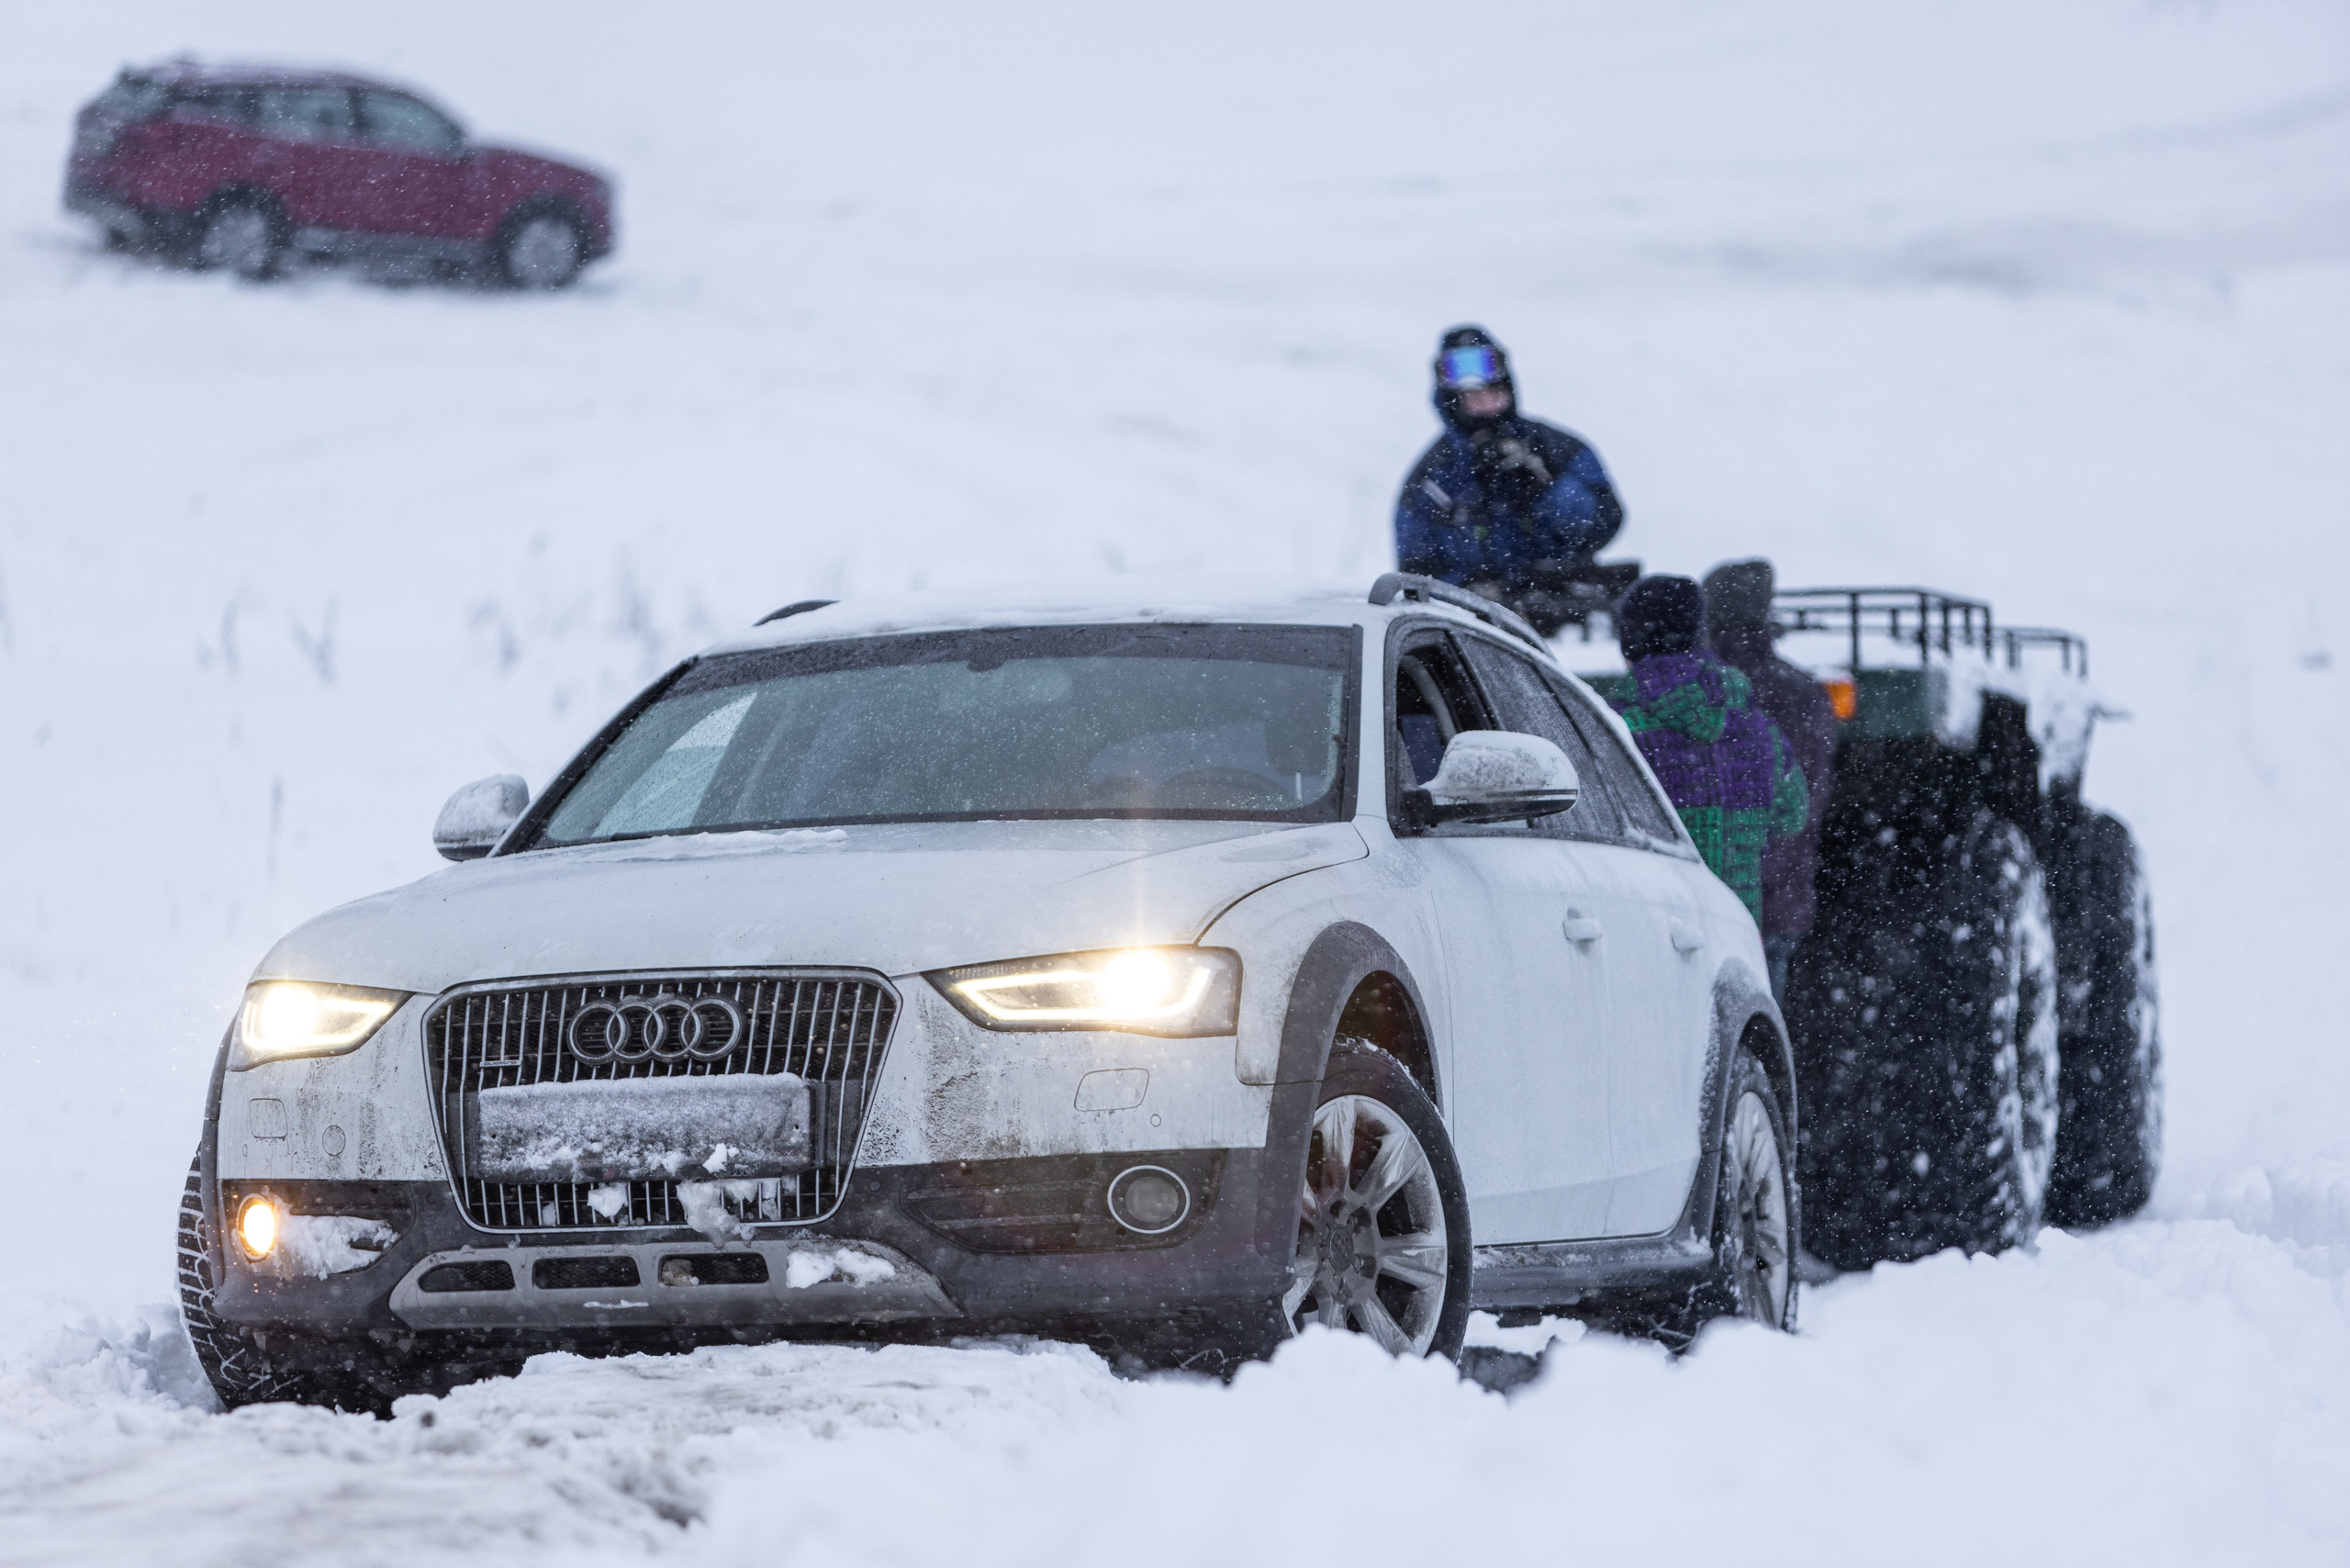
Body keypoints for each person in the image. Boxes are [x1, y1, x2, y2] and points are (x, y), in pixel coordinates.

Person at [1608, 575, 1807, 935]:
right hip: (1738, 931)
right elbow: (1791, 817)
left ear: (1630, 643)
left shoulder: (1618, 727)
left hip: (1653, 931)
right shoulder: (1758, 726)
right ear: (1700, 633)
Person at [1393, 326, 1626, 634]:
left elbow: (1603, 523)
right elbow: (1416, 570)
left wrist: (1544, 489)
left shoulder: (1559, 450)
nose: (1487, 406)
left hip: (1568, 616)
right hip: (1479, 629)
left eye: (1494, 394)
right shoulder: (1432, 479)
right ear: (1452, 400)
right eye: (1475, 398)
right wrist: (1473, 593)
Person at [1703, 559, 1839, 999]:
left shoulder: (1690, 693)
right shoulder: (1803, 693)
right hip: (1778, 899)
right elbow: (1807, 801)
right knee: (1760, 1038)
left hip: (1698, 898)